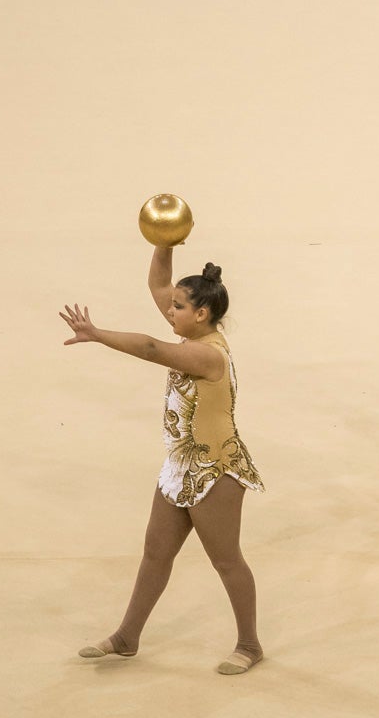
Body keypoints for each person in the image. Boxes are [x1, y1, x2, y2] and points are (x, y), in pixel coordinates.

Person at [59, 248, 264, 675]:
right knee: (155, 554)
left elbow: (153, 349)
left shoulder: (209, 355)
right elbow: (157, 284)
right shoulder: (191, 331)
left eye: (178, 307)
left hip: (215, 470)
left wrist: (97, 333)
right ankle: (127, 637)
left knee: (226, 560)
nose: (169, 310)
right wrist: (164, 240)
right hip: (180, 466)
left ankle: (249, 644)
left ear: (203, 313)